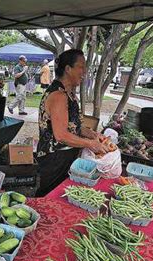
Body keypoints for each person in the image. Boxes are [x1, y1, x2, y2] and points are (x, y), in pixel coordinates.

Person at [35, 49, 109, 197]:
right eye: (81, 67)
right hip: (54, 159)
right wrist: (90, 144)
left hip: (67, 157)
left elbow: (76, 127)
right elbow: (61, 135)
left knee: (62, 196)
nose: (85, 72)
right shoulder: (58, 96)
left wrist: (93, 134)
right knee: (50, 196)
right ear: (68, 69)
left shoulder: (69, 94)